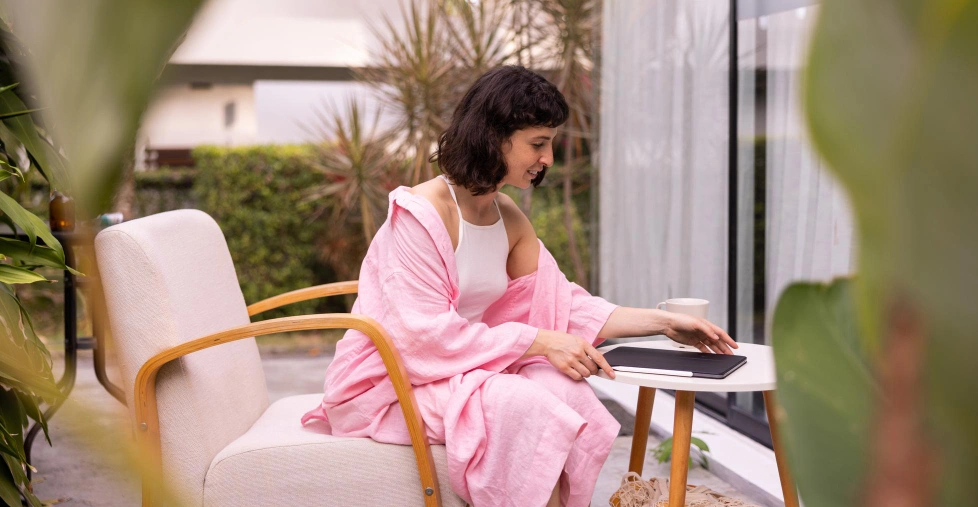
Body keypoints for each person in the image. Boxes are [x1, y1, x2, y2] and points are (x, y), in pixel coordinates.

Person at [303, 66, 737, 507]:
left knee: (565, 390)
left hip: (463, 370)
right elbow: (421, 338)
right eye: (538, 143)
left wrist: (663, 323)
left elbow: (564, 303)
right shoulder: (423, 214)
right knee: (525, 405)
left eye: (550, 144)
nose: (548, 158)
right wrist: (539, 341)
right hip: (392, 383)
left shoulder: (507, 216)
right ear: (493, 136)